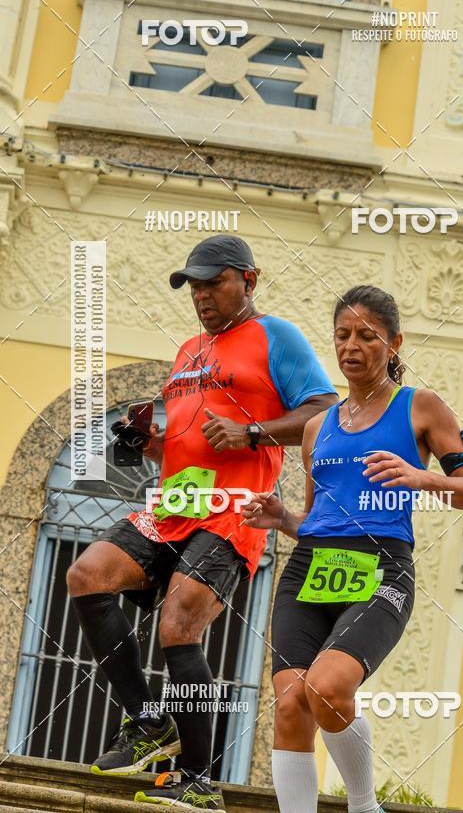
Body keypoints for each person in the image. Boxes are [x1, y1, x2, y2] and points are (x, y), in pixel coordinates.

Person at [66, 235, 337, 812]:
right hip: (173, 507)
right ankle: (147, 721)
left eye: (214, 282)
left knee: (178, 622)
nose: (201, 295)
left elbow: (324, 412)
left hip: (235, 508)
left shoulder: (276, 336)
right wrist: (151, 443)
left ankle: (199, 780)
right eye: (194, 285)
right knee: (87, 575)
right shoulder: (190, 350)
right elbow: (192, 442)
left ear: (249, 280)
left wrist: (253, 433)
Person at [243, 284, 463, 813]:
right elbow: (315, 520)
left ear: (394, 343)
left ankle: (362, 806)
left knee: (327, 687)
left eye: (367, 335)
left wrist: (420, 477)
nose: (351, 345)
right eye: (342, 335)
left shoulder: (421, 406)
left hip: (381, 568)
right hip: (310, 569)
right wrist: (282, 518)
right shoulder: (317, 426)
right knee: (289, 705)